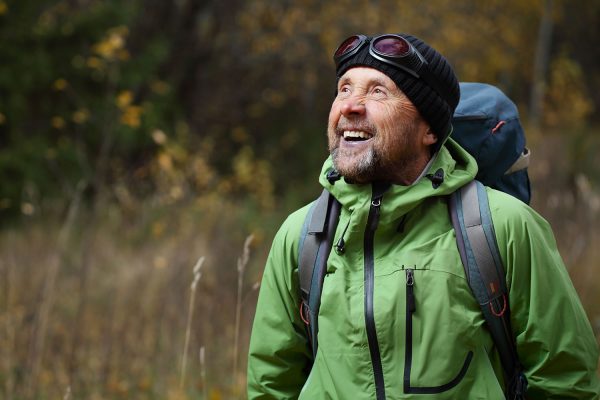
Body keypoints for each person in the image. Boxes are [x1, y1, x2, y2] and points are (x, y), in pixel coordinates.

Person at [247, 33, 600, 399]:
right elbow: (271, 385)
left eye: (378, 92)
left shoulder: (503, 226)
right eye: (345, 89)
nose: (350, 106)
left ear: (429, 129)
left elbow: (565, 381)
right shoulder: (304, 235)